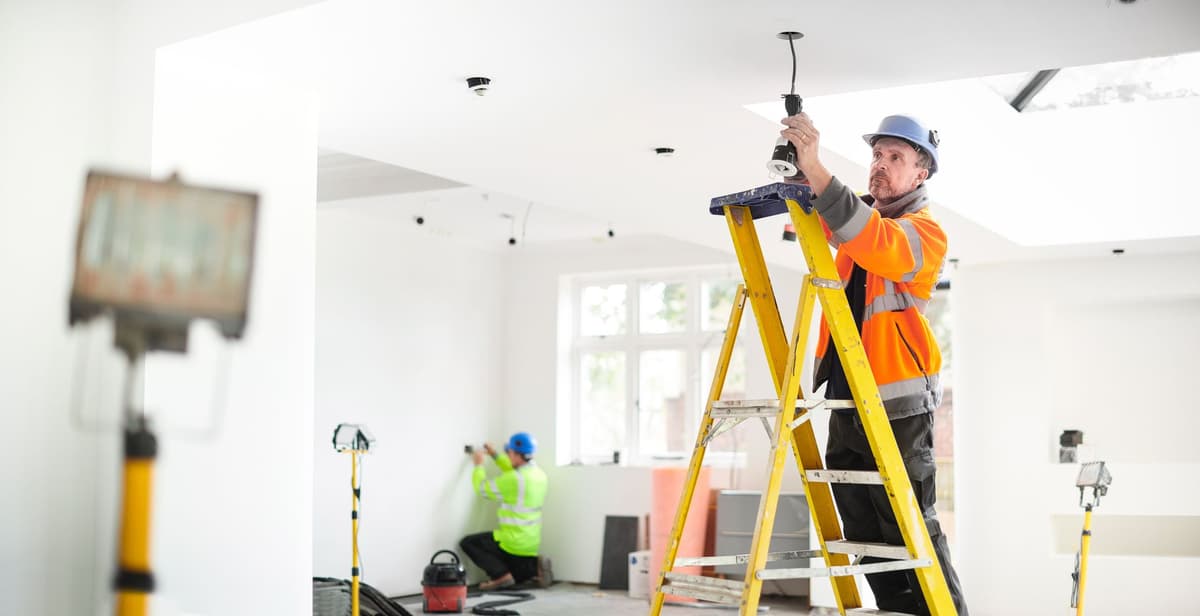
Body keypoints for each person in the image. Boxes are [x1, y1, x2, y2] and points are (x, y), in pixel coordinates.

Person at [778, 113, 968, 615]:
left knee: (907, 522)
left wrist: (818, 170)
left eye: (895, 158)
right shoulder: (859, 219)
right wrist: (800, 171)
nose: (880, 167)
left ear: (920, 174)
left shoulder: (924, 234)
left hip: (896, 404)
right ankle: (898, 611)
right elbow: (817, 223)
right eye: (877, 156)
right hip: (846, 396)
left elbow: (873, 241)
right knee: (862, 528)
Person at [460, 432, 551, 590]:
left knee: (469, 543)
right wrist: (495, 455)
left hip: (512, 541)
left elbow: (482, 489)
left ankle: (500, 577)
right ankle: (534, 568)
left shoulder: (514, 479)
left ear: (516, 454)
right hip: (531, 543)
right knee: (517, 573)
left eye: (508, 453)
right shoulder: (539, 475)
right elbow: (512, 469)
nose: (507, 456)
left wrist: (478, 465)